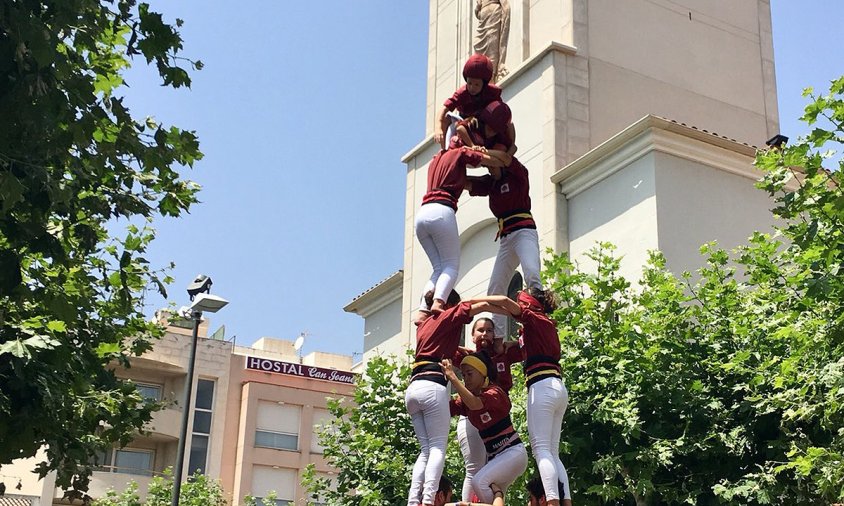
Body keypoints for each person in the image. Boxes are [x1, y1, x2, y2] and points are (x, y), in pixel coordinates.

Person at [406, 291, 501, 506]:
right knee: (438, 448)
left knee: (425, 451)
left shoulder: (424, 324)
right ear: (447, 303)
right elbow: (479, 306)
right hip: (433, 384)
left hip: (413, 386)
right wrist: (509, 310)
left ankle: (414, 501)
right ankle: (429, 500)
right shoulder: (446, 315)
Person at [480, 290, 572, 506]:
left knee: (541, 450)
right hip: (557, 386)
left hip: (541, 385)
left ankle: (551, 501)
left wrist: (472, 304)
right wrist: (511, 345)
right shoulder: (543, 324)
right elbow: (521, 342)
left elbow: (504, 303)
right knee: (553, 451)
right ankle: (565, 500)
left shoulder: (534, 317)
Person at [463, 102, 541, 339]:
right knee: (495, 286)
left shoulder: (517, 172)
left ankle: (537, 316)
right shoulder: (492, 182)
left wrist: (481, 151)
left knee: (532, 274)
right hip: (506, 237)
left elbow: (506, 158)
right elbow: (467, 182)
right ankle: (496, 337)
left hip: (524, 230)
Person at [415, 137, 507, 315]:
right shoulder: (460, 152)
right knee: (451, 265)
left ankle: (422, 309)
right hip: (442, 211)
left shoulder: (436, 159)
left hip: (423, 213)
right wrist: (487, 153)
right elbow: (493, 160)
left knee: (438, 268)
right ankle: (439, 303)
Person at [442, 351, 528, 504]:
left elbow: (476, 404)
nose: (465, 379)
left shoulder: (495, 393)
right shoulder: (466, 400)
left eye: (469, 374)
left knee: (478, 482)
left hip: (513, 453)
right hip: (497, 457)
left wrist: (453, 378)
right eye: (463, 375)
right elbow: (447, 408)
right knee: (493, 496)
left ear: (483, 373)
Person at [452, 318, 522, 501]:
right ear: (472, 335)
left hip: (494, 415)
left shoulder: (502, 353)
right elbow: (444, 346)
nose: (485, 334)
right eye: (480, 330)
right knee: (475, 469)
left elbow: (528, 347)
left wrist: (511, 343)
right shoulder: (467, 358)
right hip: (470, 414)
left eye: (490, 330)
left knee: (490, 473)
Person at [435, 54, 510, 150]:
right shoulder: (462, 93)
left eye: (476, 84)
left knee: (507, 123)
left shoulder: (492, 93)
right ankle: (444, 150)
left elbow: (502, 112)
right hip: (467, 123)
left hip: (486, 125)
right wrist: (438, 128)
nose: (472, 88)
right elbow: (444, 109)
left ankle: (507, 148)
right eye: (469, 83)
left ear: (484, 84)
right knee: (446, 119)